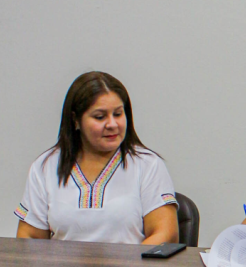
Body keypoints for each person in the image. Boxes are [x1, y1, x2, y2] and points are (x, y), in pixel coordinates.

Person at [15, 72, 179, 245]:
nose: (112, 124)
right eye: (100, 117)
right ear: (75, 120)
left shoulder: (147, 164)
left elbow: (166, 234)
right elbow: (29, 237)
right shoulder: (45, 167)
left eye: (118, 114)